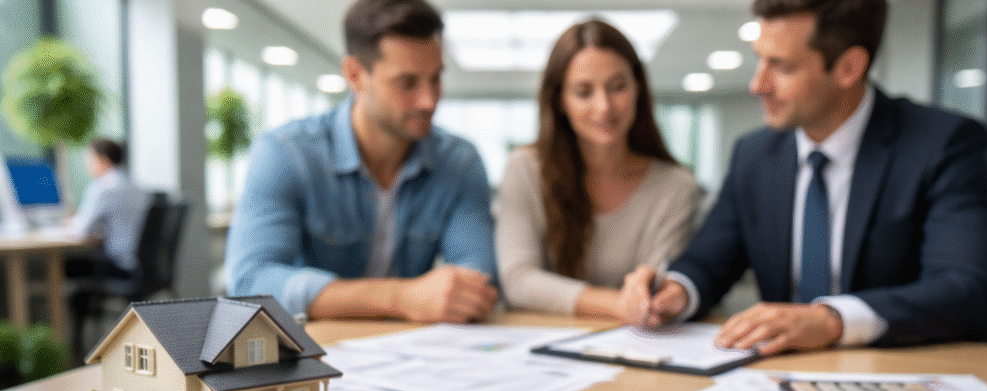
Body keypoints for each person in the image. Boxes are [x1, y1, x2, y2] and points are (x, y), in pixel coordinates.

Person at [621, 0, 987, 353]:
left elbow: (965, 290)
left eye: (783, 67)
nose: (758, 85)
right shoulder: (753, 155)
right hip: (772, 379)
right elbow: (709, 260)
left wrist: (831, 320)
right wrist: (676, 291)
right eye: (760, 61)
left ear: (848, 68)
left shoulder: (943, 144)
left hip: (896, 372)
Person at [225, 0, 498, 323]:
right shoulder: (286, 154)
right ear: (355, 75)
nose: (429, 100)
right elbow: (249, 281)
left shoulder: (460, 162)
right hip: (317, 352)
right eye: (407, 83)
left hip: (420, 353)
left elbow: (478, 279)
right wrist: (401, 298)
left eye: (435, 79)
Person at [495, 19, 702, 319]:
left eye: (617, 87)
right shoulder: (525, 168)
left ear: (638, 89)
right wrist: (620, 304)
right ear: (560, 101)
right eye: (583, 92)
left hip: (638, 343)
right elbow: (518, 281)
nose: (604, 106)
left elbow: (657, 288)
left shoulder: (676, 186)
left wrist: (646, 302)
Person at [66, 138, 150, 279]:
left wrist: (72, 223)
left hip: (119, 264)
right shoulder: (137, 188)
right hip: (142, 265)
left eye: (89, 160)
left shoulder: (103, 188)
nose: (88, 166)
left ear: (103, 160)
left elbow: (81, 231)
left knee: (68, 266)